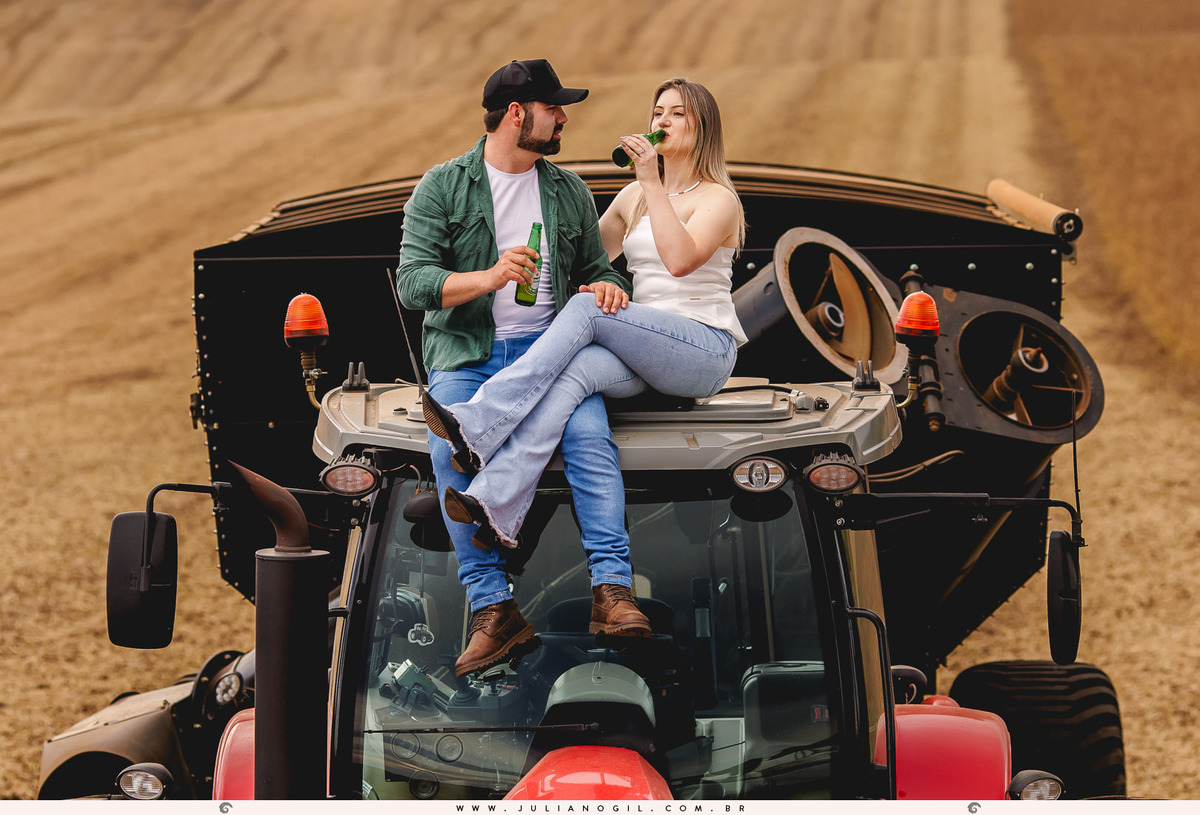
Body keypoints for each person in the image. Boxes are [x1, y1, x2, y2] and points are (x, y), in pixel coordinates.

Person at [397, 59, 652, 679]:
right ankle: (494, 609)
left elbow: (601, 267)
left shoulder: (565, 190)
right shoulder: (443, 186)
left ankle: (611, 592)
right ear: (517, 114)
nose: (563, 117)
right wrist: (486, 278)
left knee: (592, 439)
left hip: (551, 356)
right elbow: (413, 282)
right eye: (553, 108)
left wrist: (610, 288)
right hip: (468, 356)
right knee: (445, 452)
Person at [422, 77, 747, 565]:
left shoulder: (717, 199)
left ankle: (482, 419)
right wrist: (499, 267)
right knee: (572, 376)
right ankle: (495, 503)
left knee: (585, 311)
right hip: (640, 349)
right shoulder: (633, 199)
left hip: (703, 349)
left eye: (678, 113)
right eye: (658, 112)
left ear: (704, 127)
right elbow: (576, 260)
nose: (662, 122)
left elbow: (680, 260)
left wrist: (650, 181)